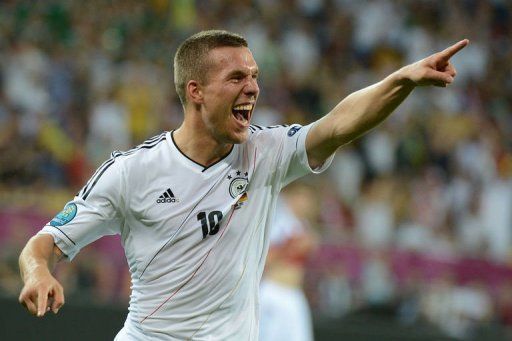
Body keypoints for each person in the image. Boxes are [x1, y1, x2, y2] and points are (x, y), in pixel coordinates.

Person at [18, 30, 468, 340]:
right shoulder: (131, 172)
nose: (252, 88)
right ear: (195, 91)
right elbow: (44, 244)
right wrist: (39, 272)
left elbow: (337, 125)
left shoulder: (266, 153)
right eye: (237, 77)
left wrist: (402, 80)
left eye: (254, 76)